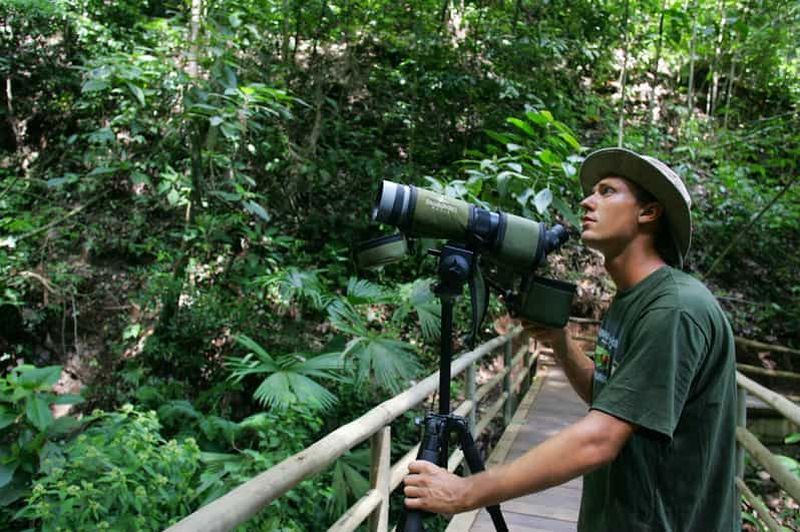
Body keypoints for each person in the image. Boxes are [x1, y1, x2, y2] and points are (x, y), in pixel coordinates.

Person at [403, 147, 740, 531]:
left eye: (607, 191)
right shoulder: (632, 299)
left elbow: (601, 439)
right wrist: (560, 343)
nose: (586, 201)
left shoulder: (674, 309)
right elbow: (612, 397)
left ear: (648, 212)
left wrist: (466, 492)